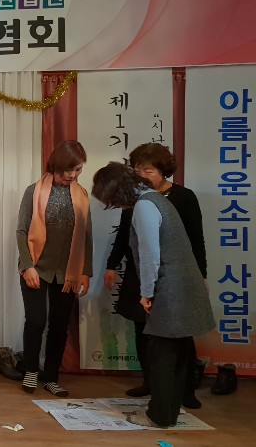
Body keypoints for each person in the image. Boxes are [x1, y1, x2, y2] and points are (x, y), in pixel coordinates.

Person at [91, 162, 215, 428]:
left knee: (161, 353)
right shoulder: (156, 199)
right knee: (177, 351)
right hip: (184, 285)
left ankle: (159, 414)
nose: (116, 205)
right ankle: (169, 412)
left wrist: (146, 292)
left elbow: (150, 255)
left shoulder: (145, 206)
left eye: (112, 199)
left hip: (170, 287)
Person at [15, 140, 93, 398]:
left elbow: (87, 235)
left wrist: (85, 271)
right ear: (56, 166)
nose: (73, 175)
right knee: (36, 321)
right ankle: (30, 371)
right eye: (69, 169)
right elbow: (22, 231)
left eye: (78, 169)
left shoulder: (81, 195)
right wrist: (28, 266)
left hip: (68, 272)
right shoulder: (34, 191)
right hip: (37, 267)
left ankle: (51, 377)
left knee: (59, 326)